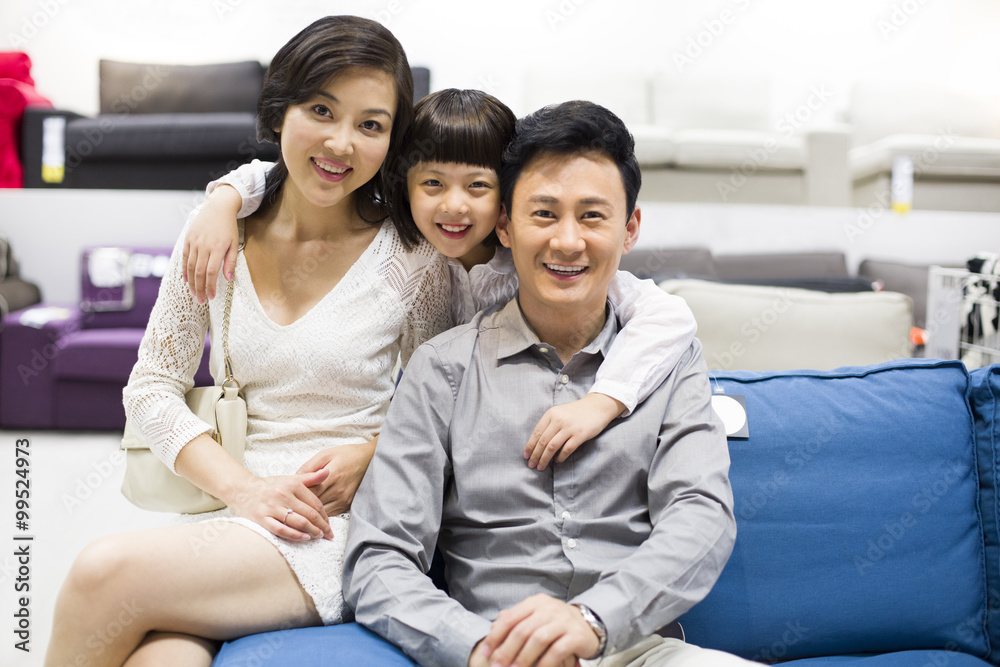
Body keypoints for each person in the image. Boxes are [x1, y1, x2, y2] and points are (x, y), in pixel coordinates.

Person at [44, 16, 451, 667]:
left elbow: (454, 402)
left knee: (100, 572)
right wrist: (242, 489)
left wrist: (372, 453)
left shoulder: (411, 256)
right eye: (321, 109)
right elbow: (151, 387)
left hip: (339, 525)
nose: (342, 142)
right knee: (160, 660)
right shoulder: (216, 231)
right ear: (281, 108)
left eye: (371, 125)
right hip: (229, 511)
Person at [342, 101, 752, 667]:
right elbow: (379, 557)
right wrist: (478, 647)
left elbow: (701, 515)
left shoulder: (668, 361)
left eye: (591, 216)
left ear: (629, 229)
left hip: (640, 650)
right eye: (543, 214)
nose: (566, 241)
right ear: (505, 226)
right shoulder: (443, 369)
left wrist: (594, 619)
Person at [183, 89, 698, 470]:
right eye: (432, 184)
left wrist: (604, 400)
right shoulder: (405, 248)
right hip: (435, 433)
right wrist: (225, 196)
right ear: (403, 189)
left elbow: (668, 313)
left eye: (478, 186)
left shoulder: (536, 258)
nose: (453, 206)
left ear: (508, 202)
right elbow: (283, 177)